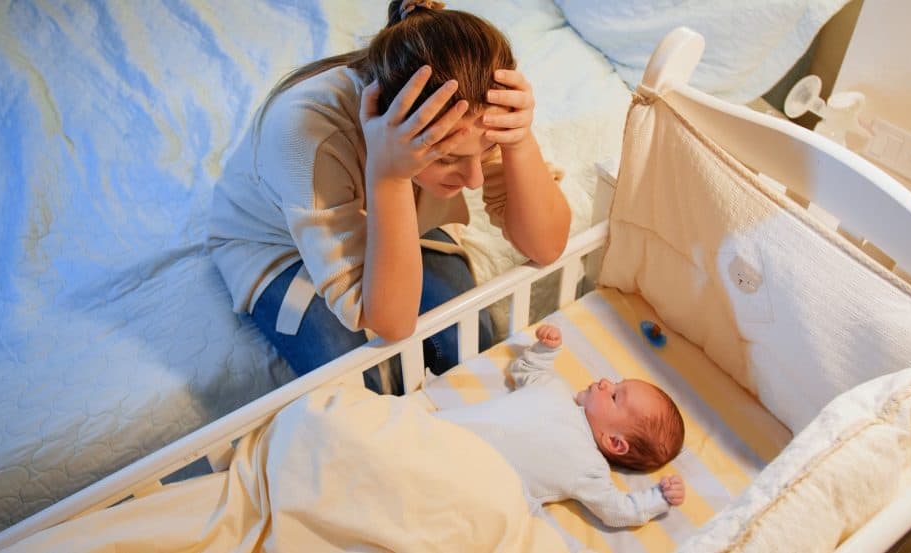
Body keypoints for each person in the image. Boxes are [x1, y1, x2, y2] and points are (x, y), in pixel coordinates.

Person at [207, 0, 571, 379]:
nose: (474, 180)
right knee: (366, 377)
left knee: (469, 340)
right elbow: (392, 323)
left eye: (485, 150)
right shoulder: (306, 132)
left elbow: (546, 246)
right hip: (279, 244)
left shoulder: (468, 111)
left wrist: (519, 142)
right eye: (447, 159)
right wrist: (389, 177)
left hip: (405, 212)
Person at [435, 324, 687, 527]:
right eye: (616, 383)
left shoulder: (589, 468)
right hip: (448, 434)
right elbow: (526, 370)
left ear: (614, 441)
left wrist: (659, 498)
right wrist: (546, 348)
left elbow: (617, 510)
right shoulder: (555, 389)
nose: (605, 383)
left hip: (474, 488)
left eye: (614, 396)